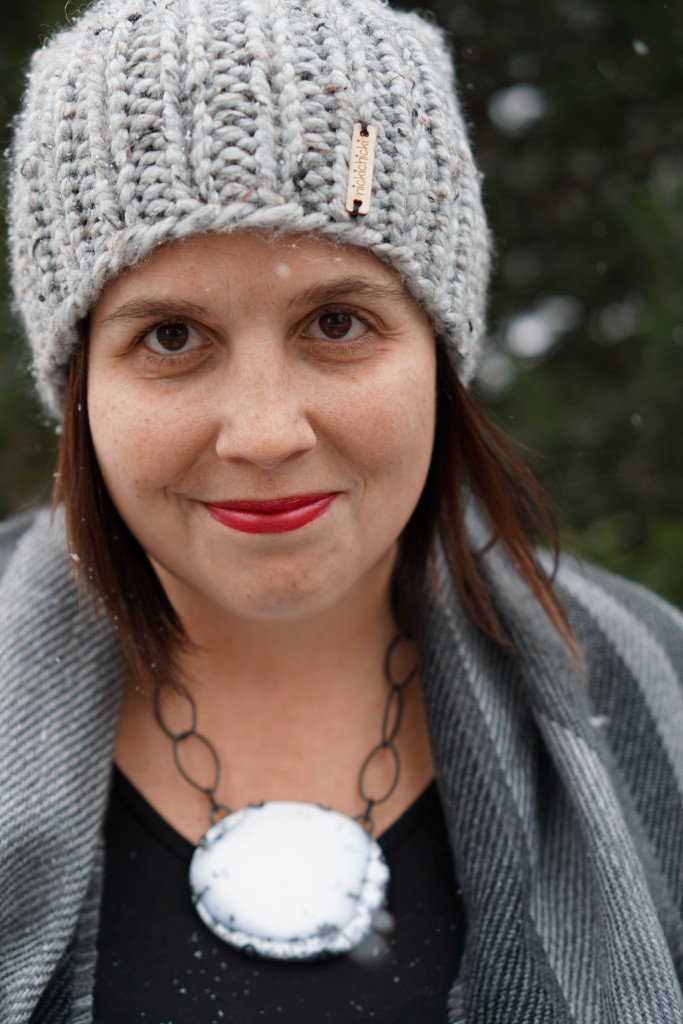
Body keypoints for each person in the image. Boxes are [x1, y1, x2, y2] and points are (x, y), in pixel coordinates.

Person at [2, 0, 683, 1022]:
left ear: (437, 350)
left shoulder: (662, 689)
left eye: (335, 320)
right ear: (82, 381)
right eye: (172, 337)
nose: (265, 434)